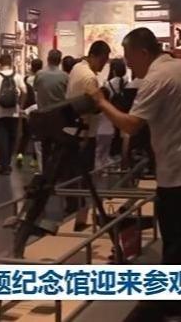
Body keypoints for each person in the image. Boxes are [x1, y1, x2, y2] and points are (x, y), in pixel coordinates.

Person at [89, 27, 181, 318]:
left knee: (175, 240)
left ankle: (171, 303)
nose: (128, 63)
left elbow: (132, 125)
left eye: (129, 56)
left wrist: (101, 102)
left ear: (143, 52)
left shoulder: (156, 79)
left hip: (179, 173)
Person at [64, 41, 111, 227]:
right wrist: (84, 137)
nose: (104, 65)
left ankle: (74, 211)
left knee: (73, 176)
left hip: (71, 130)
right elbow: (88, 110)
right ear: (95, 56)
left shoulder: (77, 68)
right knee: (85, 179)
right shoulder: (90, 78)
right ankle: (80, 218)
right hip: (84, 134)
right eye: (103, 60)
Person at [0, 53, 26, 175]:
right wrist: (20, 105)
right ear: (11, 63)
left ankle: (4, 166)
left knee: (2, 140)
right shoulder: (17, 76)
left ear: (0, 63)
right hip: (14, 113)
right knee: (12, 138)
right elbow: (24, 91)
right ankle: (7, 163)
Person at [94, 58, 128, 171]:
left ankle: (100, 169)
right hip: (123, 117)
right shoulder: (128, 83)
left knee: (100, 151)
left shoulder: (108, 84)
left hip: (109, 118)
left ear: (112, 70)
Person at [16, 58, 44, 170]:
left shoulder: (26, 79)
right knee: (38, 136)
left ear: (31, 67)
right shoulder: (42, 79)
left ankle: (20, 154)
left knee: (25, 134)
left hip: (27, 110)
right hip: (39, 109)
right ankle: (35, 160)